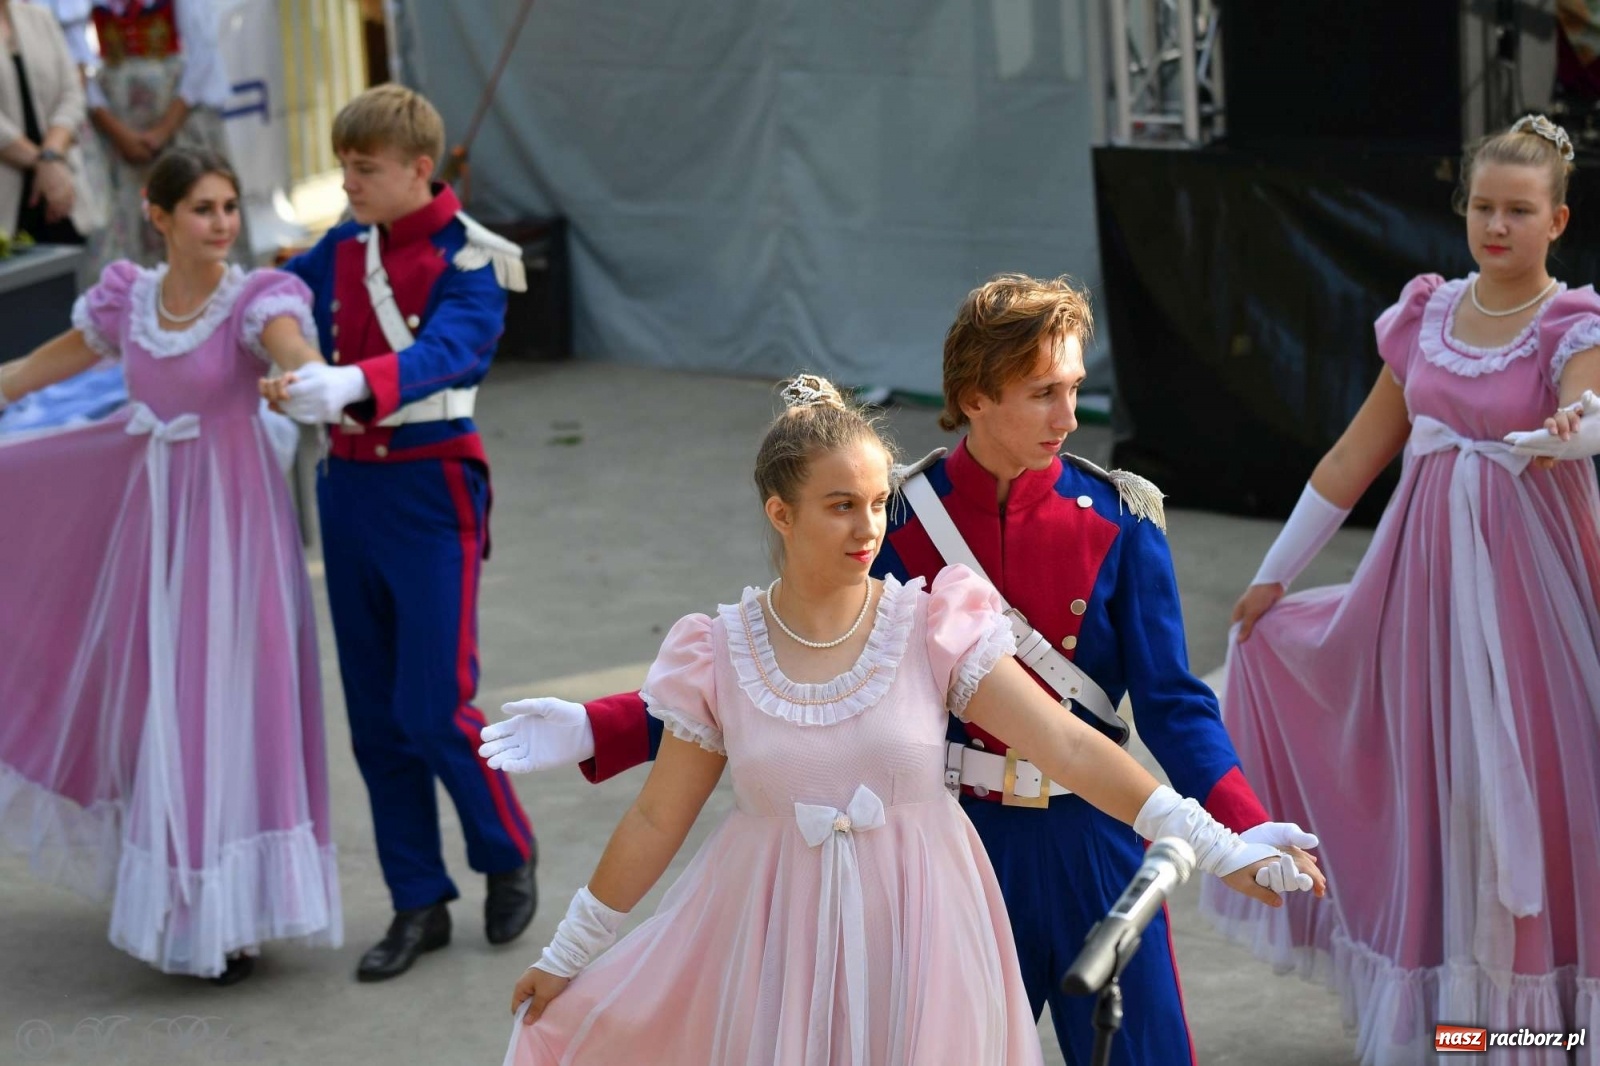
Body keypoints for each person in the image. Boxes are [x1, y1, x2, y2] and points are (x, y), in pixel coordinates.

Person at [481, 275, 1325, 1064]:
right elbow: (799, 668)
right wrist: (607, 724)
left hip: (1089, 829)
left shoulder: (1116, 517)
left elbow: (1168, 707)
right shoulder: (900, 513)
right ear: (975, 397)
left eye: (1074, 387)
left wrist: (1238, 828)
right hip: (957, 841)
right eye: (1044, 392)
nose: (1069, 415)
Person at [1201, 114, 1600, 1063]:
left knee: (1537, 802)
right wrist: (1273, 576)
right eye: (1482, 207)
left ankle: (1538, 1028)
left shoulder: (1572, 323)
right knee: (1435, 791)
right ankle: (1460, 1029)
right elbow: (1351, 459)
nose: (1496, 225)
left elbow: (1589, 411)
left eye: (1519, 210)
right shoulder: (1425, 316)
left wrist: (1574, 425)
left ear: (1559, 220)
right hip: (1422, 601)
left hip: (1532, 610)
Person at [0, 147, 339, 984]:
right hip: (151, 529)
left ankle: (238, 908)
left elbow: (292, 349)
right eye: (203, 209)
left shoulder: (256, 302)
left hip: (237, 536)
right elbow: (48, 364)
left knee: (229, 701)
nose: (223, 224)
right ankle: (190, 904)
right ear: (159, 215)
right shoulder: (130, 300)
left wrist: (309, 378)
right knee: (166, 702)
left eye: (229, 207)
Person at [272, 83, 537, 984]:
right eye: (344, 164)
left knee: (435, 704)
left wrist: (347, 385)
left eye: (364, 168)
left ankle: (505, 851)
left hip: (430, 491)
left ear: (420, 169)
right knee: (378, 721)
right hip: (347, 490)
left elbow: (451, 351)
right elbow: (278, 300)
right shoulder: (338, 247)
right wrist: (287, 364)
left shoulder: (475, 259)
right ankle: (416, 900)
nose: (347, 181)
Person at [83, 0, 241, 272]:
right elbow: (75, 63)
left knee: (190, 189)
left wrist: (164, 129)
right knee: (125, 215)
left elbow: (204, 54)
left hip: (176, 115)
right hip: (117, 119)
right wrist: (118, 132)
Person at [0, 0, 97, 244]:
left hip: (60, 197)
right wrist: (47, 165)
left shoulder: (39, 17)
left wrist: (51, 154)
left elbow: (72, 93)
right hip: (10, 204)